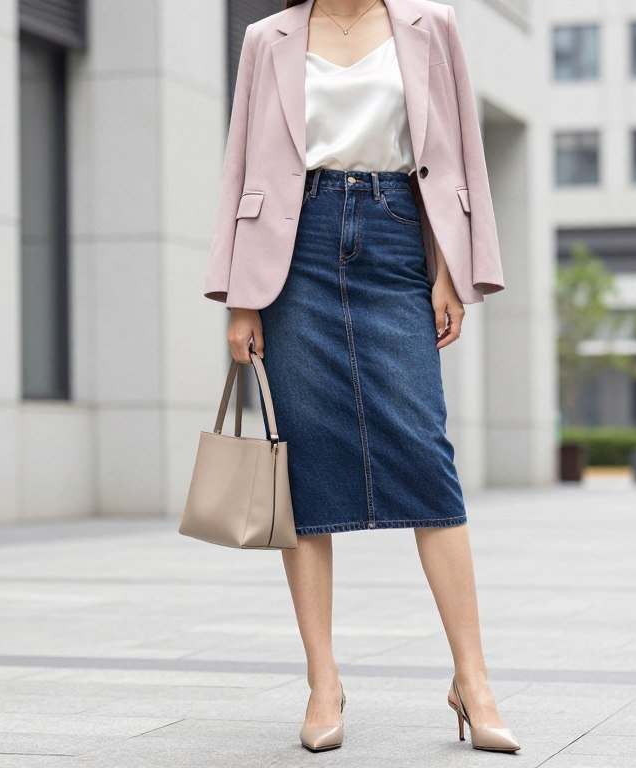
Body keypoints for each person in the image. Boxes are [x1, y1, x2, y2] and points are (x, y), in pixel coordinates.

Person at [203, 0, 519, 754]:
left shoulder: (431, 26)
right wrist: (242, 302)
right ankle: (323, 680)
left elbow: (458, 153)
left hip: (396, 235)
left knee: (424, 455)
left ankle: (472, 679)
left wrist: (450, 272)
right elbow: (243, 162)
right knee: (306, 462)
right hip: (297, 249)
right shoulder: (266, 38)